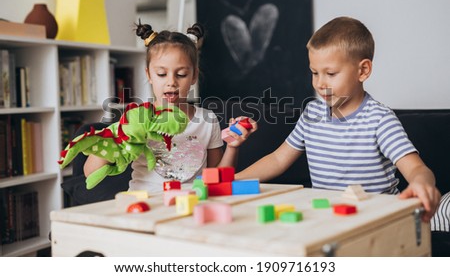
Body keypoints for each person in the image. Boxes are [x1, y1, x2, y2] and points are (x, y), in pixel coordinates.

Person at [235, 16, 440, 222]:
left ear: (363, 70)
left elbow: (416, 168)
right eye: (314, 73)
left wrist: (421, 183)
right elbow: (278, 159)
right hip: (327, 219)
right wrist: (233, 181)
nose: (320, 83)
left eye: (331, 74)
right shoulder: (312, 114)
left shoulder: (379, 120)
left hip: (375, 220)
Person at [84, 21, 257, 192]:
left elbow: (218, 177)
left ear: (194, 76)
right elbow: (89, 171)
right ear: (149, 75)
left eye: (181, 74)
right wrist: (119, 137)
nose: (171, 82)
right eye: (161, 74)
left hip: (191, 203)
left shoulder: (207, 120)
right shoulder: (136, 118)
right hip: (145, 204)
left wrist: (233, 147)